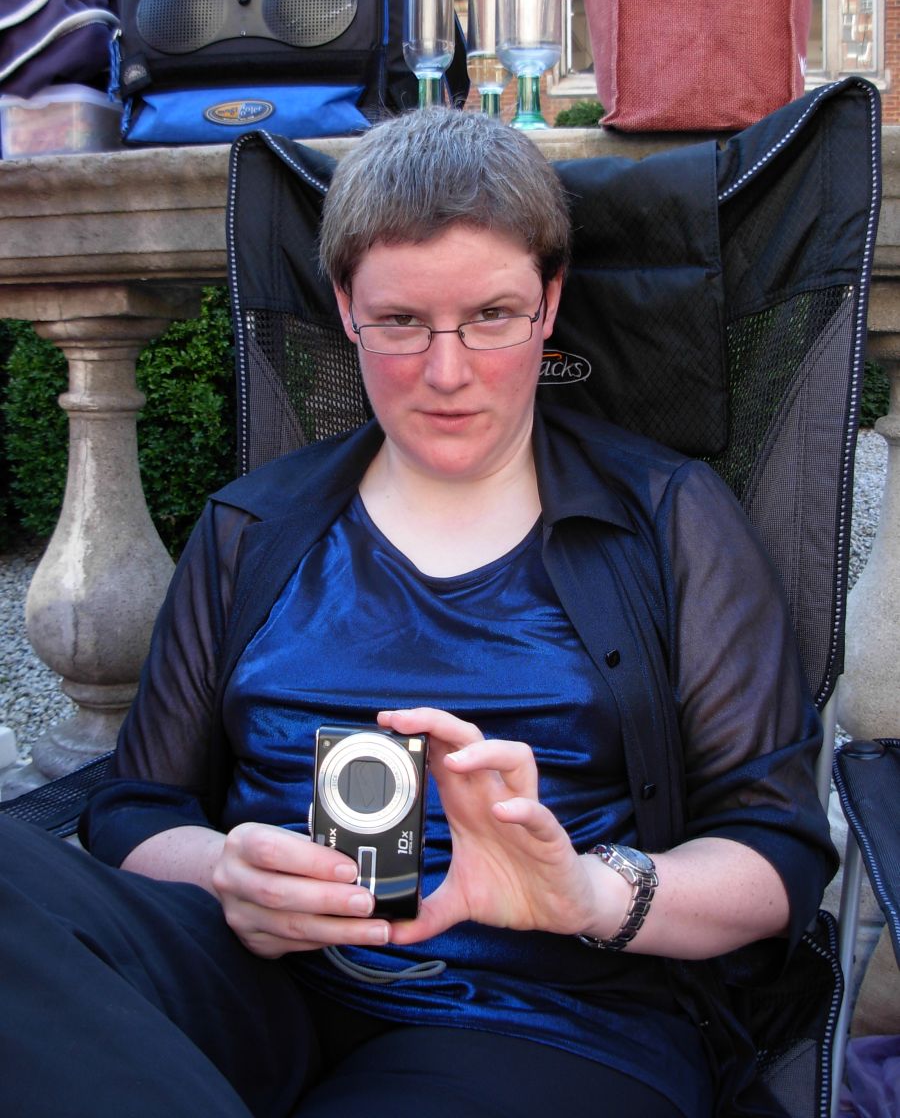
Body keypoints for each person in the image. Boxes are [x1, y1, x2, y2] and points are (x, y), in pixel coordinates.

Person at [0, 107, 836, 1118]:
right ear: (346, 309)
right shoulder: (253, 528)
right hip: (253, 977)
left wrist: (587, 892)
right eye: (401, 322)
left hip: (539, 1017)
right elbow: (136, 804)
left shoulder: (667, 520)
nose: (448, 372)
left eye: (492, 315)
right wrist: (226, 871)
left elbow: (775, 850)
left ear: (549, 304)